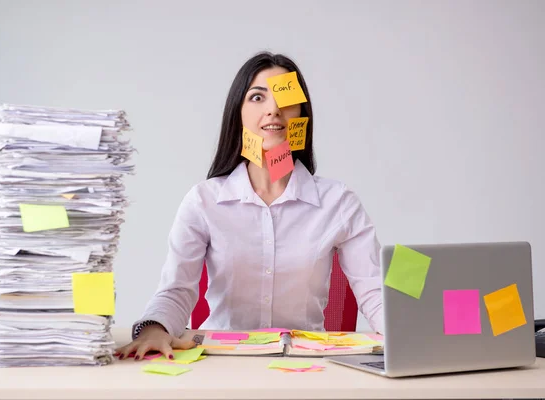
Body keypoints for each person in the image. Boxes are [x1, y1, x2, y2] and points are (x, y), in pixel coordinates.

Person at [115, 51, 383, 361]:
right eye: (258, 98)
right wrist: (154, 328)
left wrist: (408, 337)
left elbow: (374, 292)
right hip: (219, 365)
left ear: (301, 115)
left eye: (285, 98)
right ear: (238, 114)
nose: (273, 110)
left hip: (304, 368)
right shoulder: (203, 201)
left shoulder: (339, 203)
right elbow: (176, 289)